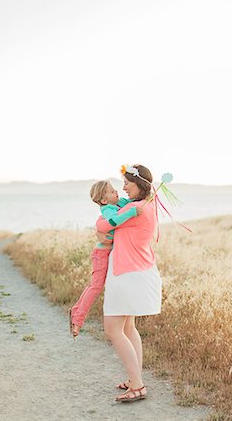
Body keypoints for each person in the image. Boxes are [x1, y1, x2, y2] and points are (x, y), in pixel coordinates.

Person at [96, 164, 162, 403]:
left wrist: (103, 215)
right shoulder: (146, 205)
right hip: (135, 272)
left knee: (112, 329)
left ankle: (138, 385)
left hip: (128, 274)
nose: (123, 187)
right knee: (127, 329)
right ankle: (135, 378)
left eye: (127, 183)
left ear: (139, 184)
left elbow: (103, 225)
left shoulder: (136, 208)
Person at [69, 180, 143, 338]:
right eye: (111, 191)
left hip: (110, 253)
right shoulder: (108, 209)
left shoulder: (117, 203)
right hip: (101, 254)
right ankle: (77, 319)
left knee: (95, 286)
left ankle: (75, 313)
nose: (117, 192)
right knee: (95, 287)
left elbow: (132, 201)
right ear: (103, 200)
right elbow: (112, 222)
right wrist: (130, 213)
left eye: (115, 189)